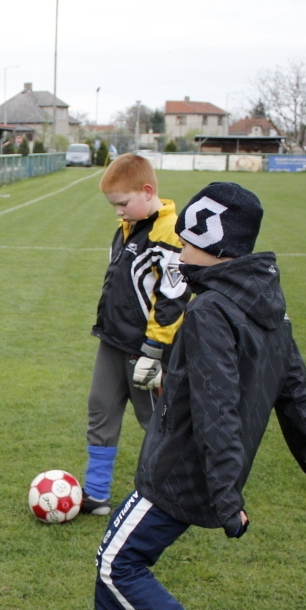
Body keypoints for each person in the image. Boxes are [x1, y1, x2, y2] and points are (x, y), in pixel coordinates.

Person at [65, 182, 306, 610]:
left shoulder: (208, 314)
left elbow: (217, 410)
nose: (180, 254)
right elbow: (294, 393)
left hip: (183, 472)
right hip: (199, 469)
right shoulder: (268, 303)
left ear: (220, 248)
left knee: (117, 563)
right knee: (119, 544)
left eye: (188, 244)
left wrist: (226, 497)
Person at [81, 153, 188, 517]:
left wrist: (154, 350)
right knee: (101, 410)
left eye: (123, 203)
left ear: (147, 191)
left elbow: (173, 299)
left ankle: (172, 495)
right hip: (113, 342)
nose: (119, 212)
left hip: (146, 351)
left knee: (156, 422)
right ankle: (95, 494)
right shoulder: (129, 225)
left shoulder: (170, 233)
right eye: (114, 206)